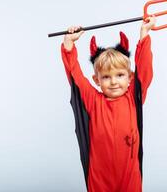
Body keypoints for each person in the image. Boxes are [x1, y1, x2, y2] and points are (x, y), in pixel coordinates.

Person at [60, 16, 156, 192]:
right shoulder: (92, 101)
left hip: (129, 176)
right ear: (97, 80)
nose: (113, 82)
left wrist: (144, 34)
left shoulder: (134, 98)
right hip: (99, 178)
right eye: (106, 77)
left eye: (120, 75)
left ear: (130, 77)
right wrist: (68, 45)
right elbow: (75, 76)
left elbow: (144, 69)